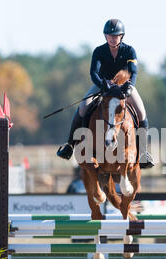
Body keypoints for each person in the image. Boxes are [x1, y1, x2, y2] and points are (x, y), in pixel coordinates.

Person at [57, 19, 154, 169]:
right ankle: (70, 145)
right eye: (109, 35)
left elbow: (133, 71)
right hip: (103, 86)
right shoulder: (99, 51)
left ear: (121, 36)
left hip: (124, 86)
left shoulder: (129, 51)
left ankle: (143, 153)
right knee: (83, 107)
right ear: (105, 36)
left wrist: (129, 86)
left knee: (141, 113)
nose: (112, 38)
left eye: (116, 36)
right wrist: (105, 85)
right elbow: (93, 73)